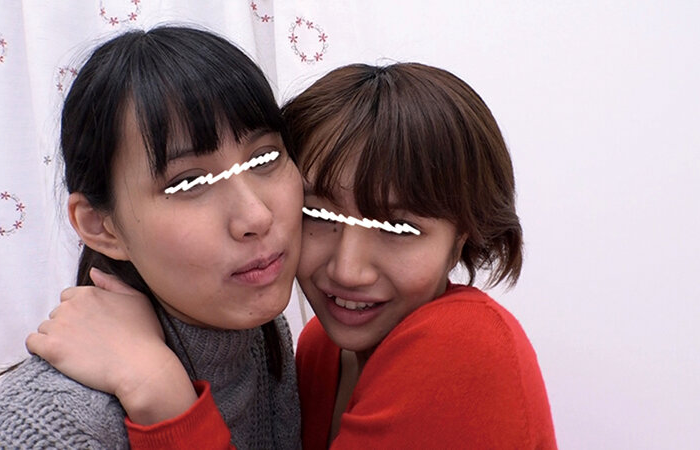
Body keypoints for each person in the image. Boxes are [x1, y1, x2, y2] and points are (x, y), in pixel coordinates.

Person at [32, 63, 558, 448]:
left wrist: (159, 392)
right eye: (320, 215)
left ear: (462, 235)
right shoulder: (314, 347)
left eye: (398, 229)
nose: (348, 270)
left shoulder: (463, 346)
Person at [0, 25, 303, 449]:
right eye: (188, 182)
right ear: (100, 226)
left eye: (264, 157)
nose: (256, 215)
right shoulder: (52, 424)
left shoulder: (259, 334)